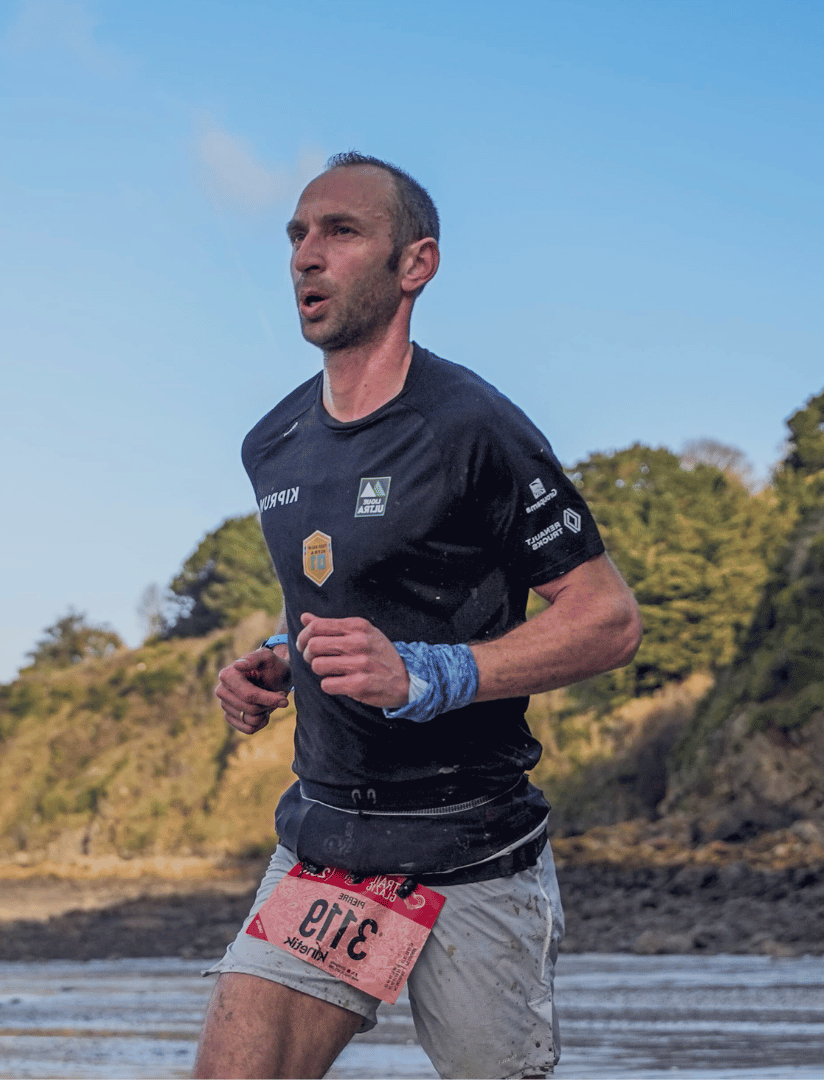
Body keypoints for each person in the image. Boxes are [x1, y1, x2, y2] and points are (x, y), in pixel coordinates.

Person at [191, 153, 642, 1080]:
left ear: (416, 265)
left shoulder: (472, 426)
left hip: (473, 846)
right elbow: (341, 594)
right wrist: (281, 657)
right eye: (298, 235)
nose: (307, 255)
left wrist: (430, 676)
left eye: (341, 232)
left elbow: (607, 619)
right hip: (330, 846)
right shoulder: (272, 443)